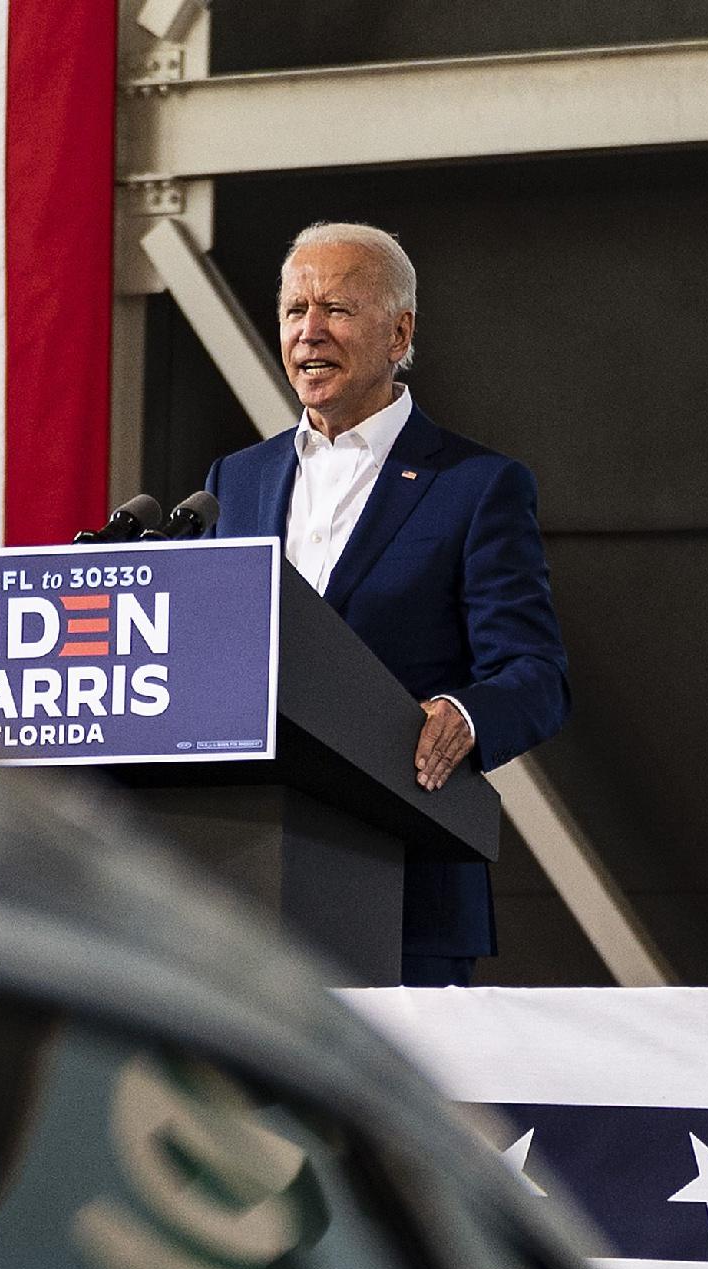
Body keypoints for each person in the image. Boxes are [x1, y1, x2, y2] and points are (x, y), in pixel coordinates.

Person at [206, 221, 569, 986]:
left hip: (407, 887)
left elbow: (535, 673)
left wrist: (464, 717)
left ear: (399, 330)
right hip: (245, 892)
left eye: (336, 309)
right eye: (294, 311)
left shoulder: (474, 485)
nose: (310, 332)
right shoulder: (236, 480)